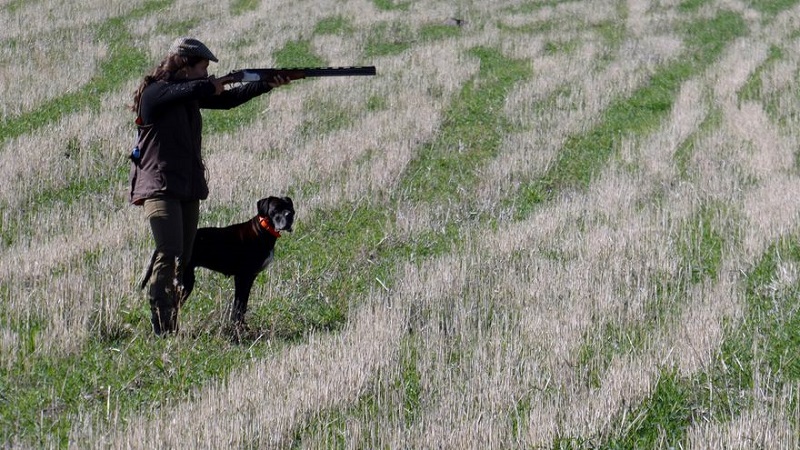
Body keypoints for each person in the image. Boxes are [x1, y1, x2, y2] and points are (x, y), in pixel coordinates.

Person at [129, 37, 289, 335]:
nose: (205, 74)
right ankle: (162, 325)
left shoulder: (187, 94)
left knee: (184, 258)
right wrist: (218, 82)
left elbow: (227, 100)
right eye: (202, 67)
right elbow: (198, 88)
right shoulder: (155, 93)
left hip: (187, 187)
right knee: (169, 250)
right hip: (159, 186)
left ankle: (171, 320)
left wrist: (266, 83)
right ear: (184, 66)